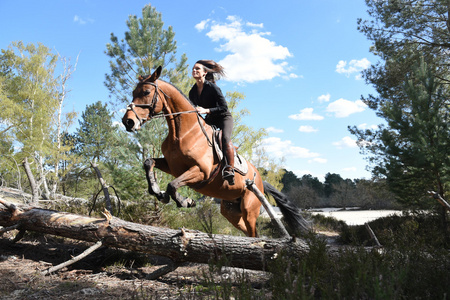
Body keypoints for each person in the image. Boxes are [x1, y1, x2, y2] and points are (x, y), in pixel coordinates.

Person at [189, 60, 235, 185]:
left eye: (197, 69)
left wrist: (205, 110)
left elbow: (224, 107)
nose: (194, 70)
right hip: (210, 120)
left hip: (223, 118)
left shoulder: (212, 87)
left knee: (225, 138)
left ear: (204, 73)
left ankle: (229, 169)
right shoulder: (192, 92)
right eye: (193, 69)